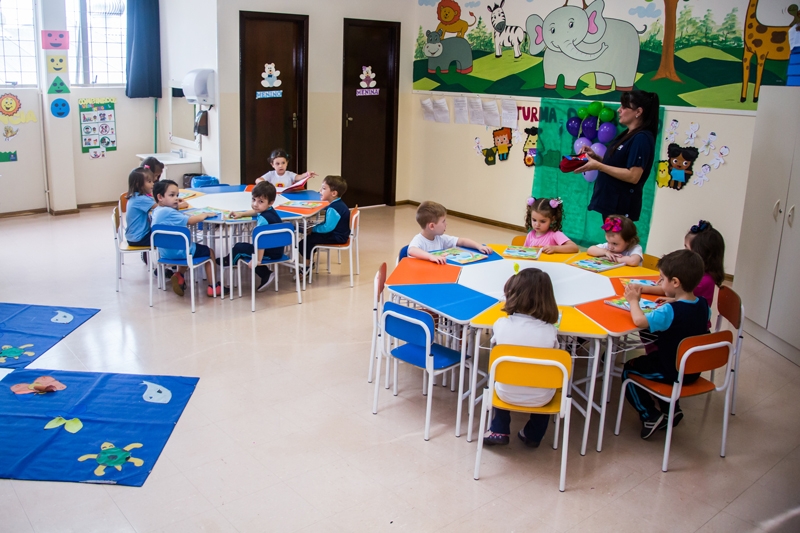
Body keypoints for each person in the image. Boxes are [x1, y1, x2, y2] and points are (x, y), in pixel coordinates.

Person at [622, 249, 710, 439]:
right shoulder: (703, 304)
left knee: (629, 371)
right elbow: (690, 314)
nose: (660, 282)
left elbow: (639, 322)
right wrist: (674, 299)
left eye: (662, 279)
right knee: (653, 360)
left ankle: (649, 415)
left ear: (676, 282)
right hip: (693, 367)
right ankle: (672, 409)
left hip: (673, 369)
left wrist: (633, 301)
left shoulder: (670, 311)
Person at [483, 268, 560, 447]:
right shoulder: (550, 331)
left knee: (500, 374)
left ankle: (499, 429)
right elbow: (553, 358)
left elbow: (495, 345)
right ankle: (533, 435)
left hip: (505, 393)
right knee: (546, 379)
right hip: (543, 398)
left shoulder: (501, 324)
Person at [577, 89, 660, 221]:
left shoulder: (641, 138)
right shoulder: (627, 134)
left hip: (621, 208)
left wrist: (599, 166)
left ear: (638, 112)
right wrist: (596, 158)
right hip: (610, 204)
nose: (619, 110)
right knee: (611, 240)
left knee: (617, 241)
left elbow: (633, 176)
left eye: (624, 107)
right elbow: (618, 164)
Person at [151, 180, 221, 297]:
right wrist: (205, 214)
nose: (176, 198)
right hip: (180, 253)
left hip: (164, 253)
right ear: (160, 197)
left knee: (184, 247)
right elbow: (190, 220)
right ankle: (213, 286)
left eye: (177, 195)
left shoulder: (156, 211)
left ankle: (179, 276)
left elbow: (173, 215)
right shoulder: (169, 212)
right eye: (172, 195)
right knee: (209, 252)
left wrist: (177, 206)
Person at [640, 220, 725, 311]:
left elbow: (669, 290)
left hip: (691, 322)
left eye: (687, 248)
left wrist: (641, 288)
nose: (684, 252)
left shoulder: (701, 279)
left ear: (701, 254)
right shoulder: (697, 272)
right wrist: (674, 299)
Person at [227, 181, 285, 291]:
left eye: (260, 201)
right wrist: (242, 214)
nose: (255, 204)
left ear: (271, 202)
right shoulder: (270, 210)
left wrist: (257, 260)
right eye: (253, 199)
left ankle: (229, 264)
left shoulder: (263, 219)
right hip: (277, 250)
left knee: (238, 249)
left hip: (269, 252)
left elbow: (261, 241)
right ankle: (229, 259)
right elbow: (256, 211)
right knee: (240, 246)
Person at [408, 201, 492, 264]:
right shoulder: (419, 240)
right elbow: (412, 250)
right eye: (443, 221)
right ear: (432, 226)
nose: (446, 224)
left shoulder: (440, 238)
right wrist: (431, 256)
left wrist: (478, 246)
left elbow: (462, 241)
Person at [298, 175, 350, 273]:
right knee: (309, 239)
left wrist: (313, 229)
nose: (320, 190)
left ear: (333, 193)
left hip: (337, 236)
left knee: (304, 243)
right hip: (339, 234)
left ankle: (307, 266)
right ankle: (310, 259)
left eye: (323, 188)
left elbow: (327, 227)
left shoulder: (334, 208)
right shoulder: (337, 204)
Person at [125, 166, 155, 248]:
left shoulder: (136, 196)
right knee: (165, 236)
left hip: (134, 236)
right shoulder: (141, 199)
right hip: (139, 238)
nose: (153, 184)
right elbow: (160, 206)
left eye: (152, 181)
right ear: (139, 184)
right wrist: (178, 205)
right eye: (149, 182)